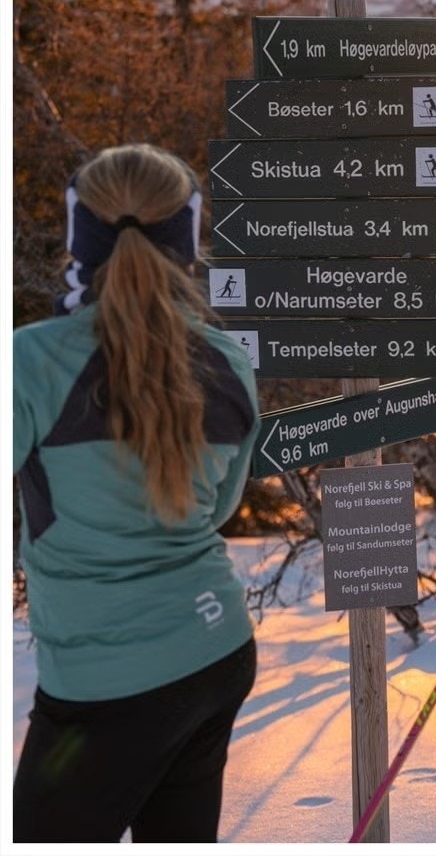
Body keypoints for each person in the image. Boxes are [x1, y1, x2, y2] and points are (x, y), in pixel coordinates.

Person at [12, 144, 261, 842]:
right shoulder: (227, 361)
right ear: (187, 236)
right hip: (213, 654)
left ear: (77, 236)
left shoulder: (31, 360)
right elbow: (218, 508)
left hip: (100, 691)